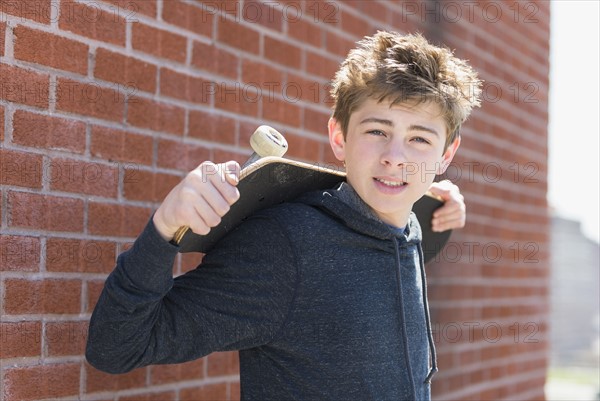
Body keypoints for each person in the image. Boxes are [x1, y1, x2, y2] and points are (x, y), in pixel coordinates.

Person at [86, 31, 482, 400]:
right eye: (377, 131)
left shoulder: (408, 228)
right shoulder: (284, 247)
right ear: (339, 138)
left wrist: (435, 203)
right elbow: (116, 348)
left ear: (445, 155)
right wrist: (164, 231)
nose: (395, 158)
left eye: (419, 139)